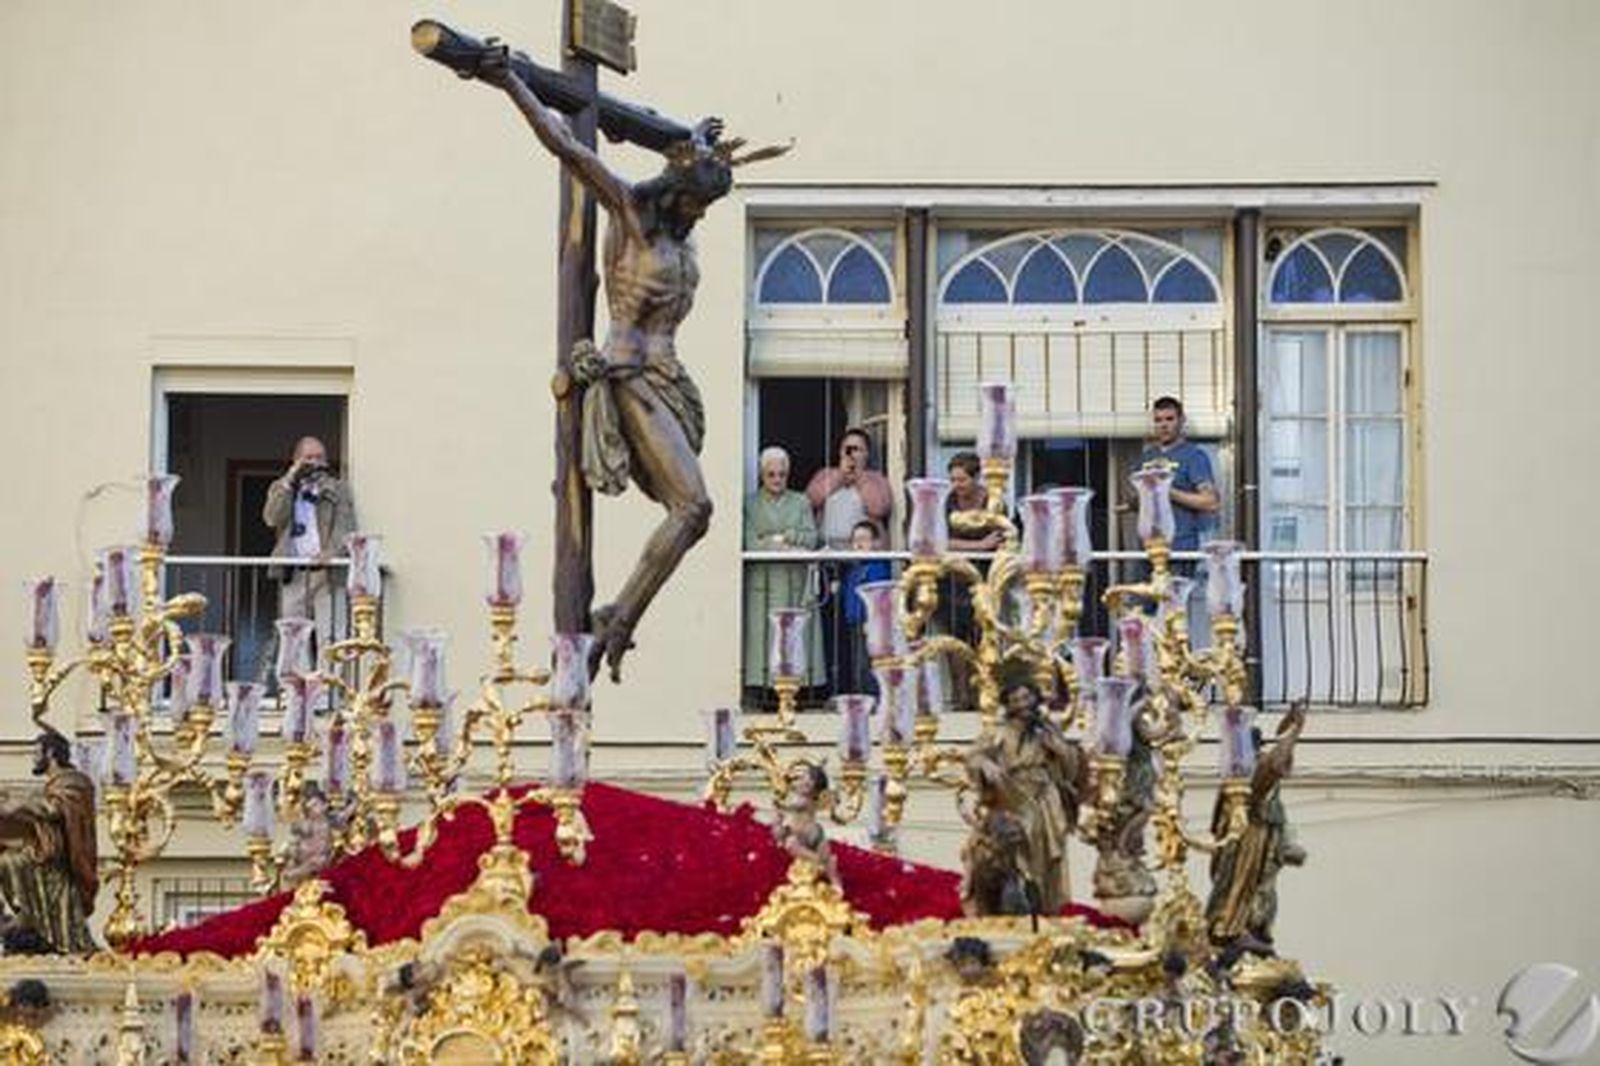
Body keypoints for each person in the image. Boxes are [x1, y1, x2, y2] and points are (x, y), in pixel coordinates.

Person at [475, 47, 786, 683]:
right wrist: (510, 80)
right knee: (693, 508)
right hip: (629, 374)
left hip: (671, 382)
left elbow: (687, 160)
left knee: (693, 513)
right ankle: (619, 614)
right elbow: (569, 148)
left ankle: (621, 611)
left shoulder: (679, 235)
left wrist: (697, 144)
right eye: (695, 203)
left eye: (705, 207)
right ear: (674, 190)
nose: (699, 215)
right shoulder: (630, 215)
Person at [965, 676, 1087, 915]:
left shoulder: (1047, 730)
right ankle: (1015, 907)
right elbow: (973, 758)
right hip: (1012, 799)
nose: (1023, 704)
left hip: (1044, 801)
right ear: (1008, 704)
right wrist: (985, 765)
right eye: (1016, 699)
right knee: (1015, 854)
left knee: (1045, 861)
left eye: (1027, 697)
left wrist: (1060, 750)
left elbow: (1071, 767)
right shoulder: (998, 733)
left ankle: (1045, 909)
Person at [1207, 704, 1308, 951]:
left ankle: (1248, 928)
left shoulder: (1254, 767)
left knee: (1259, 888)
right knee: (1240, 884)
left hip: (1262, 837)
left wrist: (1291, 729)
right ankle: (1231, 927)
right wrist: (1293, 730)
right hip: (1247, 837)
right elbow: (1275, 764)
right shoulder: (1245, 773)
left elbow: (1278, 761)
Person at [0, 731, 98, 954]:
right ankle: (27, 915)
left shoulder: (74, 782)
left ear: (51, 753)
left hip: (59, 861)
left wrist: (19, 806)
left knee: (8, 862)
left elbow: (54, 810)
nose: (34, 758)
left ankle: (29, 915)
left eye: (36, 753)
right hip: (45, 854)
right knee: (6, 856)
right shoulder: (56, 784)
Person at [262, 436, 356, 664]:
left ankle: (329, 693)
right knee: (293, 636)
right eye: (308, 458)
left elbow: (346, 526)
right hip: (293, 572)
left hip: (327, 572)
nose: (314, 462)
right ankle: (297, 690)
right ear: (296, 460)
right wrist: (290, 479)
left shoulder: (337, 488)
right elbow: (272, 518)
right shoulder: (282, 488)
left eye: (319, 458)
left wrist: (331, 553)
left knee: (331, 635)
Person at [742, 446, 824, 701]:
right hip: (762, 583)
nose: (777, 480)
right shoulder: (749, 503)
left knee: (796, 638)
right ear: (761, 475)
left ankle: (799, 692)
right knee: (765, 639)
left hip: (794, 582)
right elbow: (750, 543)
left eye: (782, 475)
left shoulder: (800, 501)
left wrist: (784, 537)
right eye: (771, 475)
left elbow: (811, 538)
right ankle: (764, 693)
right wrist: (782, 543)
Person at [941, 451, 1002, 708]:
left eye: (962, 480)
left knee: (981, 639)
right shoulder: (948, 502)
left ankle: (981, 698)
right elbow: (940, 540)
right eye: (953, 480)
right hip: (953, 579)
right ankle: (959, 696)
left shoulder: (992, 502)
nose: (957, 486)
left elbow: (1001, 539)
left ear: (976, 478)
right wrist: (978, 545)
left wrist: (985, 548)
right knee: (955, 641)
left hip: (983, 580)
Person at [1139, 396, 1219, 565]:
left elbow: (1210, 502)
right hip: (1147, 546)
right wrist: (1131, 502)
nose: (1164, 425)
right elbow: (1139, 500)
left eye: (1170, 419)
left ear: (1181, 421)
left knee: (1175, 591)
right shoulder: (1146, 457)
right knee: (1141, 591)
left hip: (1179, 547)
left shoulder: (1193, 456)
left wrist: (1166, 490)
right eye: (1158, 420)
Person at [805, 428, 893, 551]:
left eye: (857, 449)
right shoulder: (825, 474)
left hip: (864, 553)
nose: (851, 454)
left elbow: (878, 509)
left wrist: (859, 477)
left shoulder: (876, 479)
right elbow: (810, 501)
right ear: (840, 452)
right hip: (828, 552)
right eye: (847, 449)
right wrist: (840, 476)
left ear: (866, 454)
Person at [839, 519, 893, 695]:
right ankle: (862, 696)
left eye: (863, 539)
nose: (858, 544)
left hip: (870, 623)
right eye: (855, 540)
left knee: (868, 664)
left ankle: (873, 698)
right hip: (854, 621)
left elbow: (879, 597)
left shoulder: (878, 567)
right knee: (857, 664)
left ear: (875, 543)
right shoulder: (853, 568)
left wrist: (871, 620)